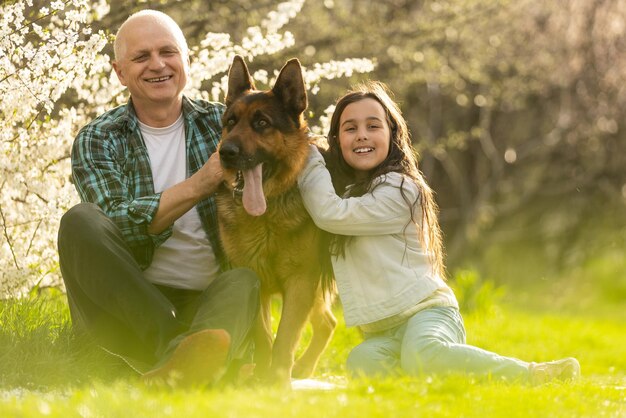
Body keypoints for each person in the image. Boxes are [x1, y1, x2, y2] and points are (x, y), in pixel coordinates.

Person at [297, 81, 580, 384]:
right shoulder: (347, 190)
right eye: (350, 128)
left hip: (428, 314)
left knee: (424, 351)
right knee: (362, 363)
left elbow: (330, 213)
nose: (362, 134)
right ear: (336, 139)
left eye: (373, 125)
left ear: (392, 134)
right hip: (381, 331)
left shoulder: (401, 189)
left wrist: (307, 156)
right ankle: (432, 375)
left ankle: (535, 375)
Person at [57, 10, 259, 387]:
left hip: (209, 307)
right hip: (128, 313)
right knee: (79, 220)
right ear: (119, 73)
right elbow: (119, 229)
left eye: (168, 52)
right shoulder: (98, 138)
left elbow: (286, 156)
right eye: (141, 57)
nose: (158, 65)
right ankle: (182, 353)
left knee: (243, 281)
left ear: (187, 60)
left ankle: (183, 363)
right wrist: (202, 182)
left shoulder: (226, 123)